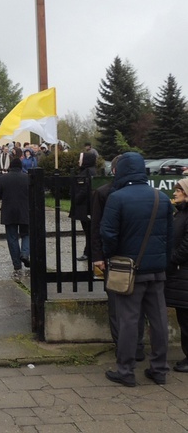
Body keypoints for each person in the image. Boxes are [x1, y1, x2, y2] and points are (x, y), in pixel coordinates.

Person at [100, 152, 173, 387]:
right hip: (157, 269)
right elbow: (169, 236)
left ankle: (126, 370)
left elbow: (108, 235)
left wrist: (111, 256)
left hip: (129, 270)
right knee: (159, 319)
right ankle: (160, 369)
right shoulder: (161, 198)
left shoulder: (117, 198)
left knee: (129, 320)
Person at [91, 155, 145, 361]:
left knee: (135, 306)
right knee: (116, 305)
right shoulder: (103, 193)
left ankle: (136, 347)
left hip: (129, 258)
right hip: (113, 258)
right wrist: (98, 256)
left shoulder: (136, 194)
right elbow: (95, 227)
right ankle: (122, 346)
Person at [164, 178, 188, 373]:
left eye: (179, 190)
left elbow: (186, 246)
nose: (175, 193)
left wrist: (172, 258)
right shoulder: (180, 212)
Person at [0, 158, 30, 275]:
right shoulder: (27, 177)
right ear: (20, 167)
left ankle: (16, 263)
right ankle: (25, 253)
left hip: (8, 210)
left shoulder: (3, 178)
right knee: (26, 234)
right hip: (24, 210)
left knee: (12, 237)